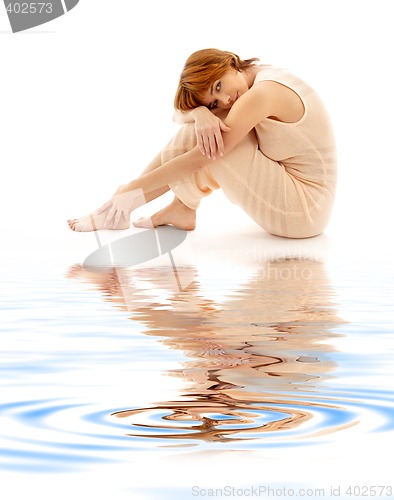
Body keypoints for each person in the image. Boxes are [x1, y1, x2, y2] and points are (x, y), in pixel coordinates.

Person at [68, 48, 337, 238]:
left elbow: (201, 157)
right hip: (302, 198)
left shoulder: (261, 94)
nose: (225, 100)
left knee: (211, 141)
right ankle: (179, 208)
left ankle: (122, 204)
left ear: (228, 63)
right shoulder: (255, 76)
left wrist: (128, 189)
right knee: (207, 131)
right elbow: (180, 114)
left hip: (303, 211)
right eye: (214, 101)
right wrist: (200, 113)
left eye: (218, 86)